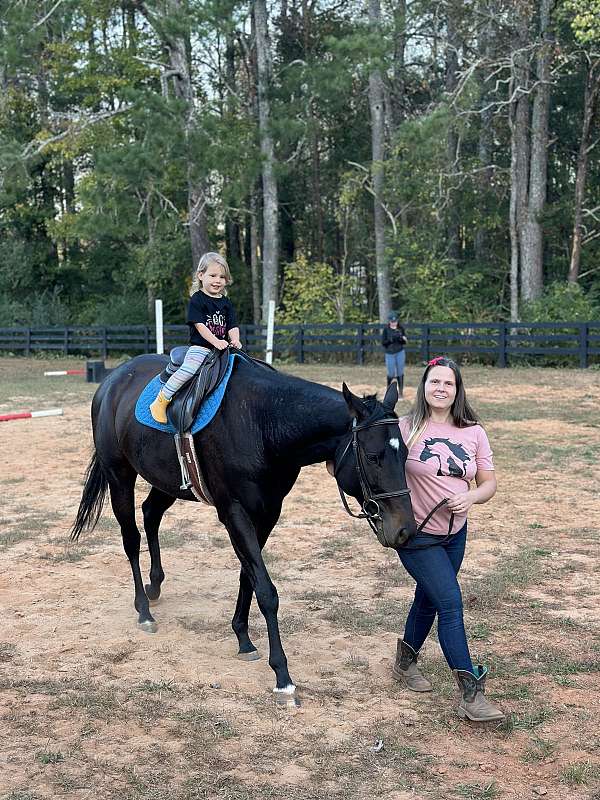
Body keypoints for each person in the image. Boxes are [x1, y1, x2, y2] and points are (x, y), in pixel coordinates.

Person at [393, 355, 504, 722]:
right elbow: (368, 463)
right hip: (416, 535)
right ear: (423, 387)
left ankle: (405, 661)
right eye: (434, 382)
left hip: (455, 533)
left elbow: (487, 484)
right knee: (451, 603)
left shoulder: (473, 431)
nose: (440, 388)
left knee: (429, 598)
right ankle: (471, 693)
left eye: (448, 383)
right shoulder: (404, 428)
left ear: (457, 390)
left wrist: (470, 496)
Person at [149, 252, 242, 423]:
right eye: (213, 275)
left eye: (222, 277)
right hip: (201, 348)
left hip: (221, 349)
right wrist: (215, 341)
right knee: (189, 370)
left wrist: (235, 339)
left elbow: (232, 325)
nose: (217, 280)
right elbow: (200, 326)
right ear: (201, 275)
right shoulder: (197, 300)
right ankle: (162, 399)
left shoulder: (226, 303)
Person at [382, 312, 407, 397]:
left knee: (400, 372)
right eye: (392, 321)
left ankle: (400, 392)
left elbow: (404, 341)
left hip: (400, 352)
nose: (393, 323)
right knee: (391, 373)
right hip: (389, 353)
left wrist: (401, 338)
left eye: (395, 321)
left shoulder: (401, 328)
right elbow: (383, 343)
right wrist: (391, 339)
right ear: (389, 321)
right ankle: (388, 389)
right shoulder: (386, 329)